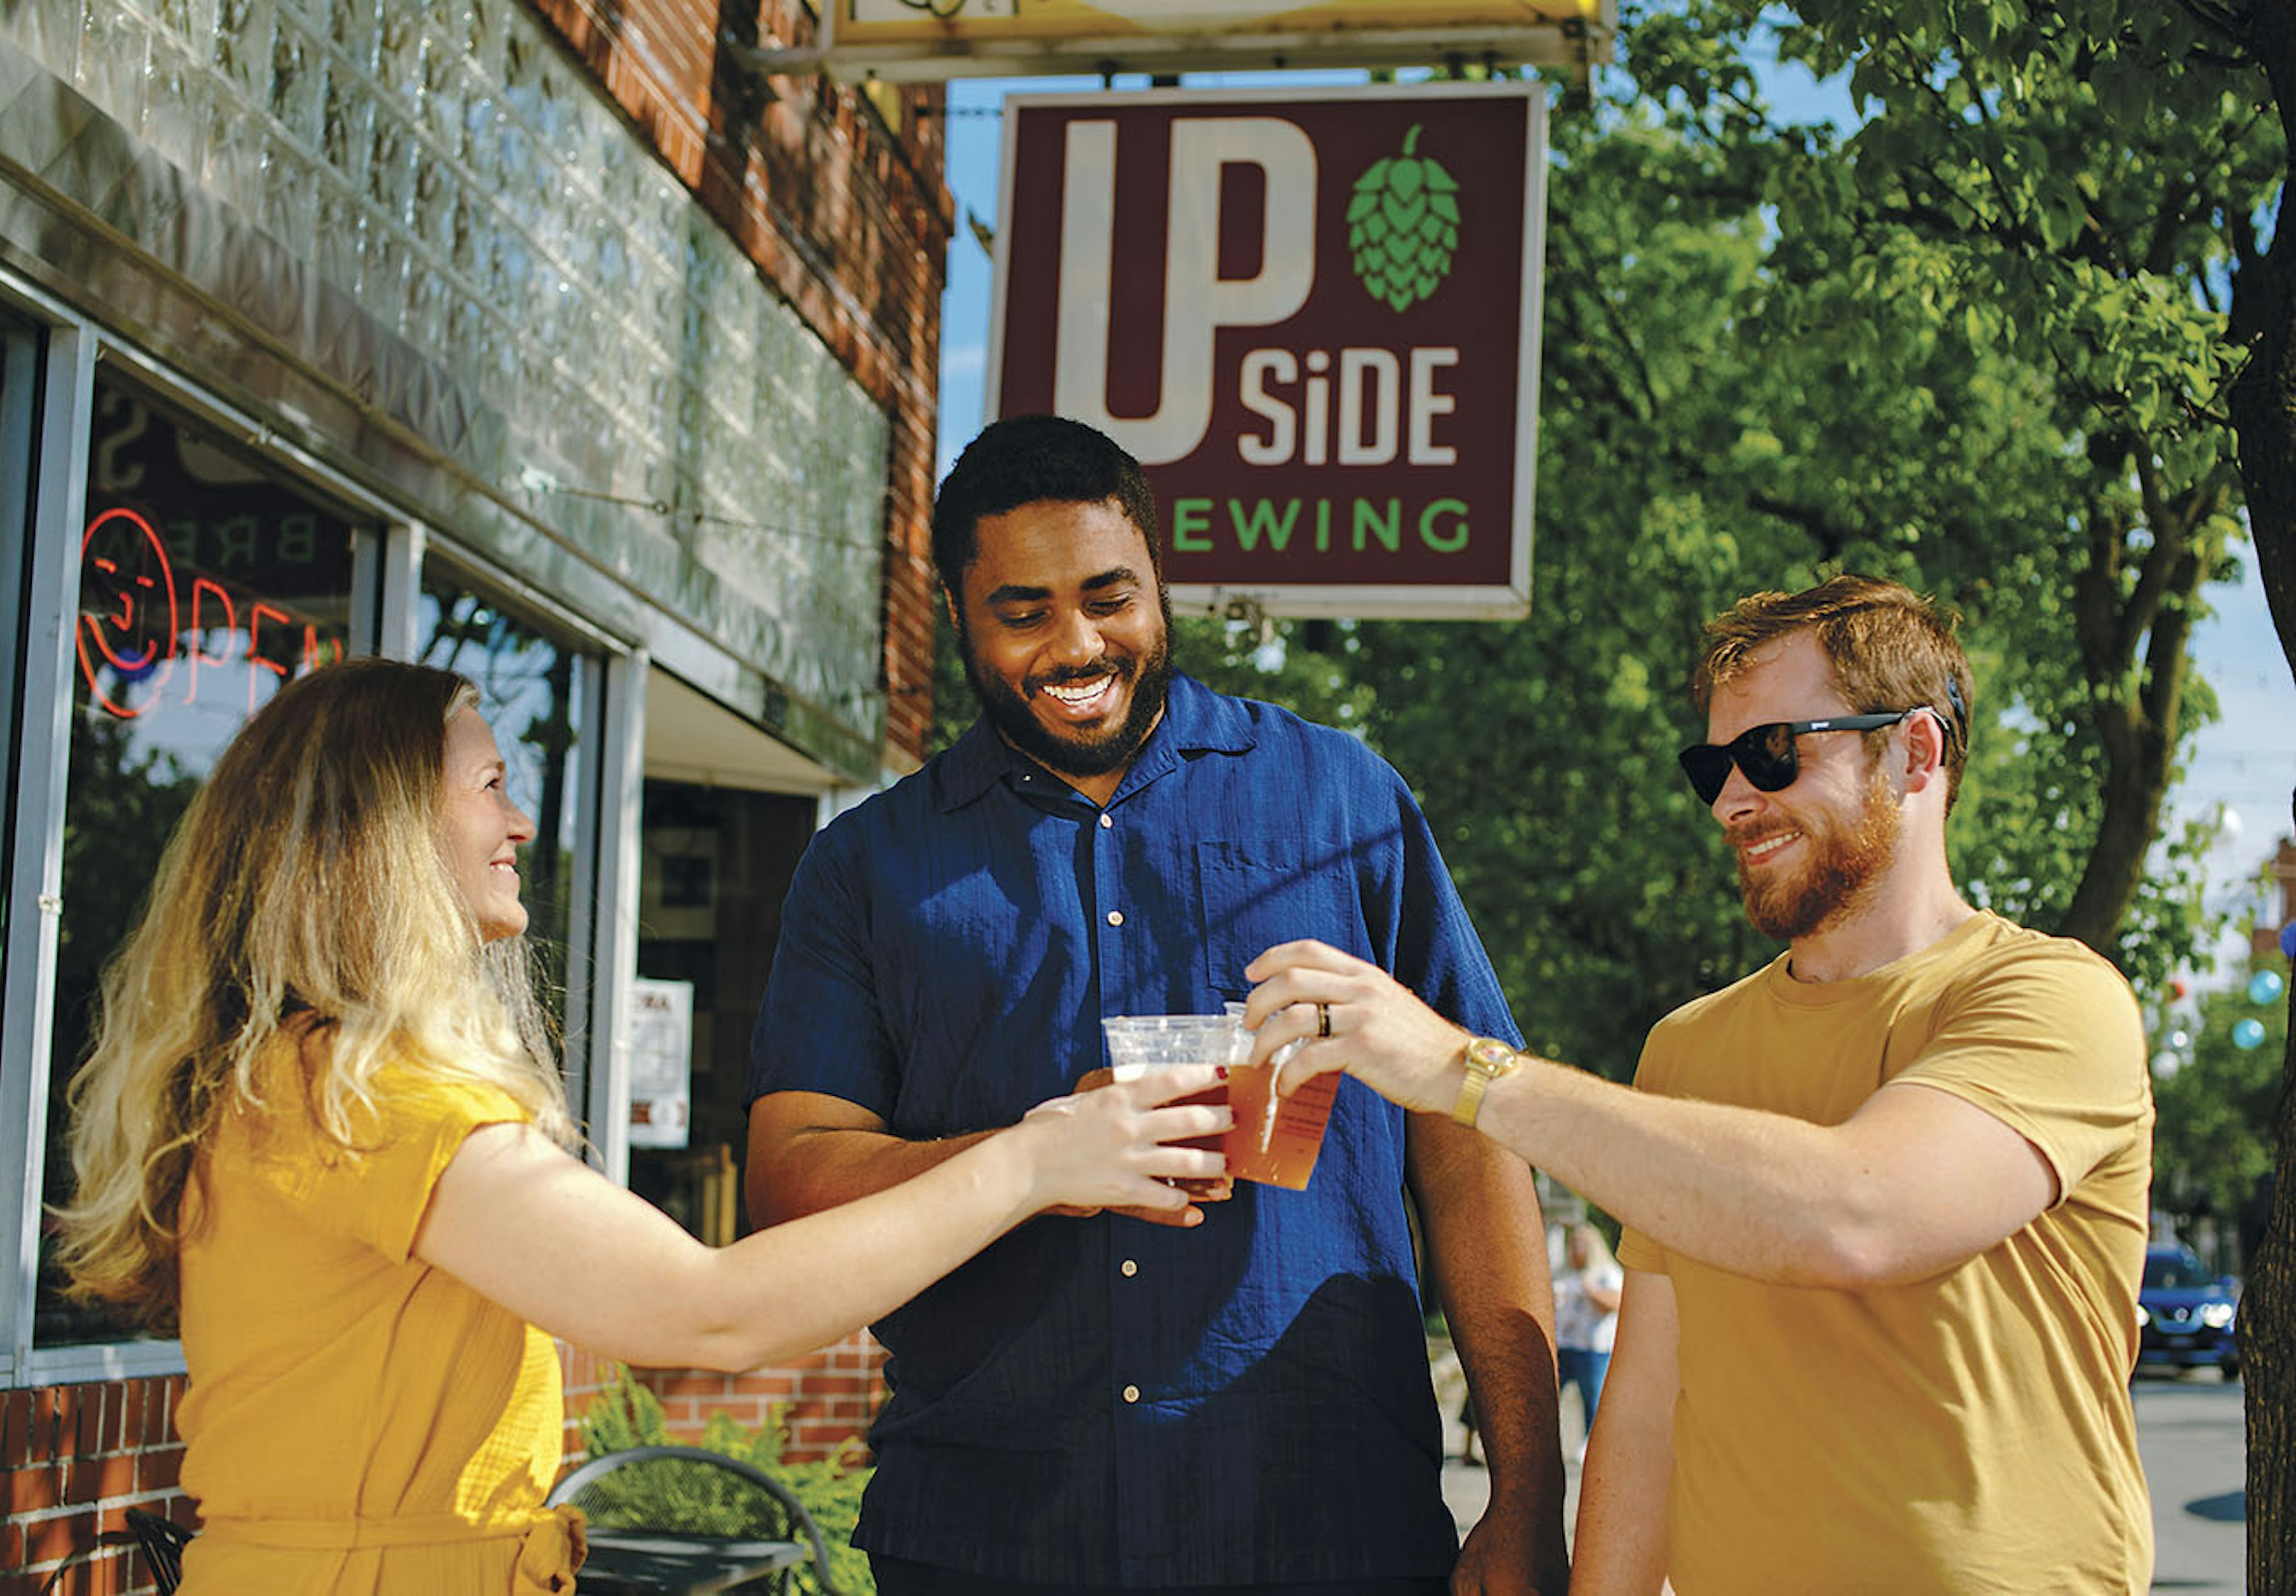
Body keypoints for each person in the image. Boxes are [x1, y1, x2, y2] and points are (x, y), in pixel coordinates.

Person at [55, 657, 1229, 1595]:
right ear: (382, 825)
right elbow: (707, 1310)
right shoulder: (367, 1092)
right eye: (489, 782)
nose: (519, 819)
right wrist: (1036, 1156)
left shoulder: (298, 1079)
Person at [744, 414, 1568, 1595]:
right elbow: (791, 1176)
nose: (1076, 643)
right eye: (1023, 610)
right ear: (958, 619)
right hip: (994, 1538)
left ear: (1159, 584)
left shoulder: (1346, 801)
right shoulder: (866, 865)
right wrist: (1034, 1152)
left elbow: (1472, 1138)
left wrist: (1526, 1493)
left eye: (1108, 595)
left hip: (1324, 1529)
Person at [1241, 576, 2153, 1594]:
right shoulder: (1688, 1046)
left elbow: (1855, 1215)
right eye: (1710, 764)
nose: (1729, 799)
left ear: (1916, 751)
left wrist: (1460, 1069)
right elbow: (1644, 1406)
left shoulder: (2053, 999)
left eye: (1771, 752)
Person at [1550, 1223, 1620, 1455]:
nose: (1574, 1248)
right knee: (1548, 1394)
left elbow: (1616, 1303)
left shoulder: (1607, 1274)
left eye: (1579, 1243)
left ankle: (1591, 1446)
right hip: (1566, 1344)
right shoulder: (1568, 1275)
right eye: (1572, 1243)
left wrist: (1591, 1290)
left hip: (1594, 1348)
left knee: (1593, 1399)